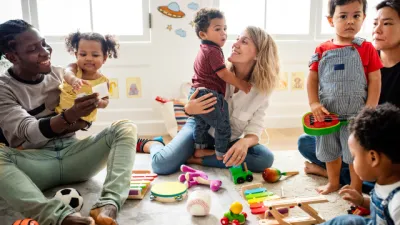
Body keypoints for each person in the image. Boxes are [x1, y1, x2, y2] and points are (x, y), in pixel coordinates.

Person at [0, 19, 138, 225]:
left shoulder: (62, 75)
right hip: (35, 162)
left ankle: (108, 204)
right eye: (33, 49)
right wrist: (70, 116)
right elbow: (28, 131)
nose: (45, 51)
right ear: (12, 56)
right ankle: (59, 217)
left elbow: (85, 120)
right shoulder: (4, 89)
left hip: (74, 155)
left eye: (44, 44)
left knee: (125, 127)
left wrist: (89, 110)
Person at [137, 26, 279, 175]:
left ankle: (199, 158)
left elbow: (254, 129)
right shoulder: (216, 71)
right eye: (237, 39)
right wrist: (189, 109)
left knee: (265, 158)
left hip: (228, 140)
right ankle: (153, 144)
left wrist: (245, 142)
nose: (235, 44)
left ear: (258, 54)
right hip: (199, 129)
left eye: (244, 41)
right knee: (161, 165)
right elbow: (191, 101)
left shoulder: (262, 91)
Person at [298, 0, 400, 194]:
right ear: (331, 20)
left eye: (356, 16)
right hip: (330, 118)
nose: (350, 22)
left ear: (362, 18)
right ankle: (334, 179)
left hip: (361, 123)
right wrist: (314, 103)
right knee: (315, 145)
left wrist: (369, 109)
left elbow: (375, 80)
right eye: (343, 16)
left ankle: (355, 184)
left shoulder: (366, 49)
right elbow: (312, 78)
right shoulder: (322, 50)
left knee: (355, 155)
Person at [321, 103, 400, 225]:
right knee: (344, 221)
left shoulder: (397, 203)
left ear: (373, 158)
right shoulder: (385, 180)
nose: (352, 162)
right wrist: (362, 201)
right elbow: (382, 208)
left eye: (354, 157)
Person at [190, 8, 251, 160]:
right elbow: (223, 73)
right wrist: (242, 84)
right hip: (208, 94)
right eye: (217, 29)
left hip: (196, 92)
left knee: (201, 124)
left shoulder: (204, 49)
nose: (223, 33)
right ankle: (221, 154)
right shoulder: (213, 50)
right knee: (223, 126)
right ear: (203, 34)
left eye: (225, 28)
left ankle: (200, 147)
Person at [55, 31, 119, 123]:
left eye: (95, 55)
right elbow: (67, 73)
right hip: (62, 115)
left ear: (104, 58)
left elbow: (105, 101)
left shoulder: (102, 81)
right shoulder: (74, 68)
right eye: (83, 54)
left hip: (84, 120)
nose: (88, 58)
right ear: (76, 55)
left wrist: (99, 102)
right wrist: (74, 80)